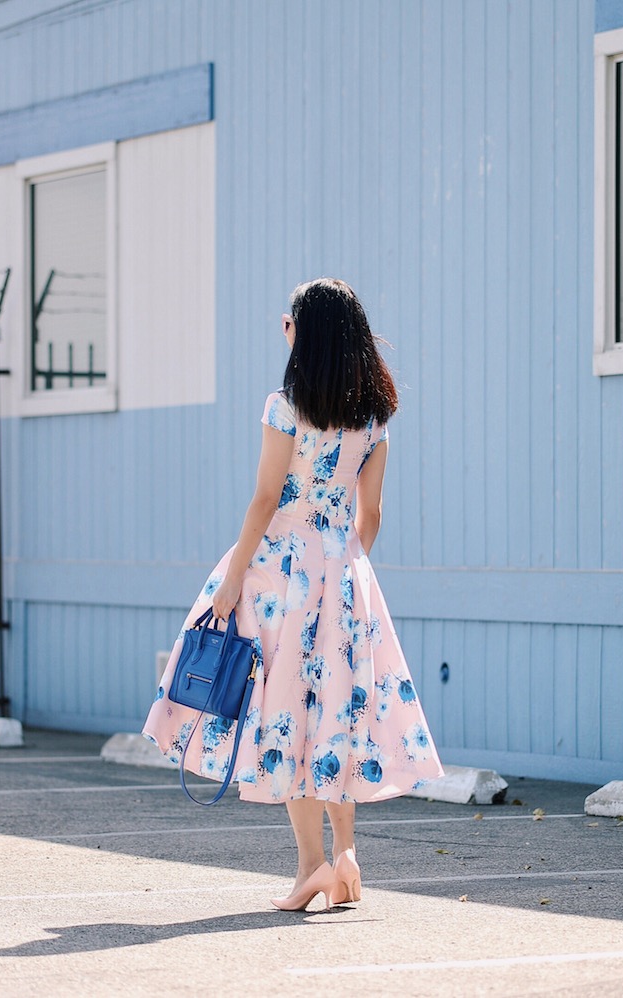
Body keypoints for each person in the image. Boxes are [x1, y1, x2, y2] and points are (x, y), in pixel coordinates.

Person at [143, 278, 443, 910]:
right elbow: (374, 515)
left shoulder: (286, 405)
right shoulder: (374, 414)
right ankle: (347, 859)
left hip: (280, 572)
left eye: (292, 323)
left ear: (305, 334)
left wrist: (231, 582)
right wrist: (343, 568)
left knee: (289, 717)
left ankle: (313, 867)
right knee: (335, 711)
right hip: (344, 571)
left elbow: (265, 499)